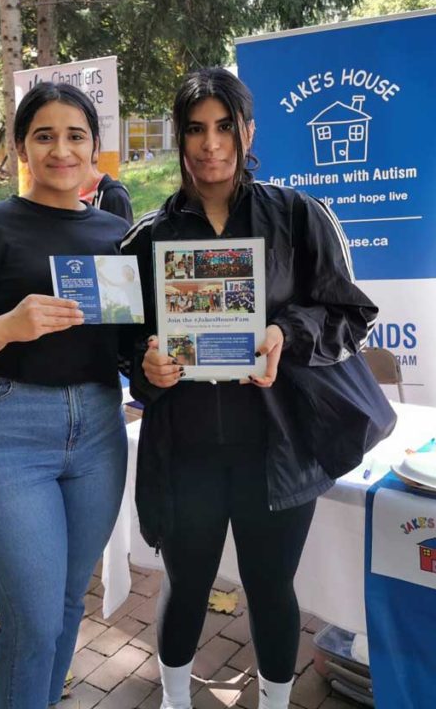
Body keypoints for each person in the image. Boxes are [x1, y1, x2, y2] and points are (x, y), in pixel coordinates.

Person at [120, 67, 377, 709]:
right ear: (178, 138)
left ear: (248, 130)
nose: (212, 144)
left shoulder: (296, 216)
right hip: (186, 452)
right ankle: (176, 699)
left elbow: (350, 316)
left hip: (279, 445)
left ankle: (275, 701)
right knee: (187, 582)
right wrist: (144, 366)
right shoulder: (150, 239)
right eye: (196, 129)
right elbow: (124, 341)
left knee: (269, 587)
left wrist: (284, 333)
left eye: (225, 126)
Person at [0, 83, 129, 708]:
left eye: (75, 136)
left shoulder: (117, 232)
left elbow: (127, 336)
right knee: (35, 616)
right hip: (5, 432)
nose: (61, 149)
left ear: (95, 147)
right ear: (22, 147)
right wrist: (9, 327)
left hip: (98, 426)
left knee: (70, 601)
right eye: (44, 135)